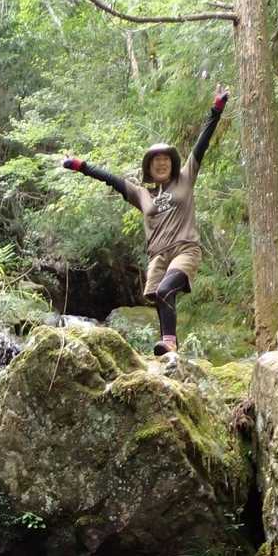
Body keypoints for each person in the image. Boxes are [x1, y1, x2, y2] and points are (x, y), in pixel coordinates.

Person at [62, 88, 230, 356]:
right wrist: (82, 166)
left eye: (165, 159)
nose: (161, 164)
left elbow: (202, 144)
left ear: (172, 163)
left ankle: (169, 342)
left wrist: (216, 109)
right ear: (149, 168)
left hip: (185, 249)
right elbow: (112, 179)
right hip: (158, 256)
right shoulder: (142, 194)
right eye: (156, 161)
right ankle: (170, 347)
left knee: (165, 289)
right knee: (162, 296)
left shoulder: (185, 177)